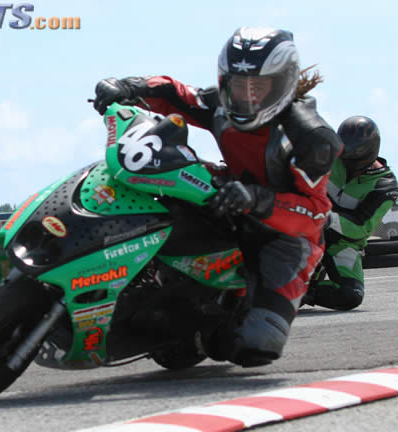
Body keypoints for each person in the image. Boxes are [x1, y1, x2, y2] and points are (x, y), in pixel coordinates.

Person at [92, 26, 342, 367]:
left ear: (282, 84)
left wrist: (258, 199)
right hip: (227, 200)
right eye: (239, 85)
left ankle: (199, 332)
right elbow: (176, 94)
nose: (247, 97)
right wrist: (128, 86)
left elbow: (315, 213)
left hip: (284, 238)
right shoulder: (222, 107)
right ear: (225, 81)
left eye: (258, 87)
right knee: (163, 186)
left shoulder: (312, 137)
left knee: (256, 346)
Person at [302, 116, 398, 310]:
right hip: (305, 226)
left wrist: (325, 218)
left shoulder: (384, 186)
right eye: (342, 153)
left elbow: (362, 227)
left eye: (350, 156)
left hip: (343, 242)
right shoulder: (327, 155)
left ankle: (302, 292)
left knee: (351, 295)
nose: (343, 160)